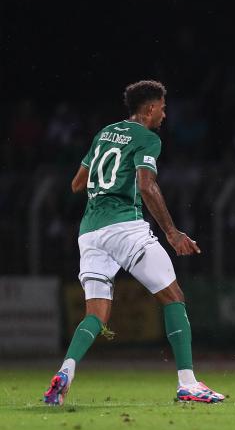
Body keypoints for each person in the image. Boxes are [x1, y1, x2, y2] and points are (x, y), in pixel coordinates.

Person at [43, 80, 225, 405]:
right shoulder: (148, 139)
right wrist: (172, 232)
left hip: (90, 232)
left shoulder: (104, 133)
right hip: (125, 226)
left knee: (96, 315)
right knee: (173, 296)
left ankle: (65, 371)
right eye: (163, 109)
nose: (165, 115)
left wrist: (104, 188)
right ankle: (188, 383)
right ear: (151, 108)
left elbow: (77, 184)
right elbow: (146, 185)